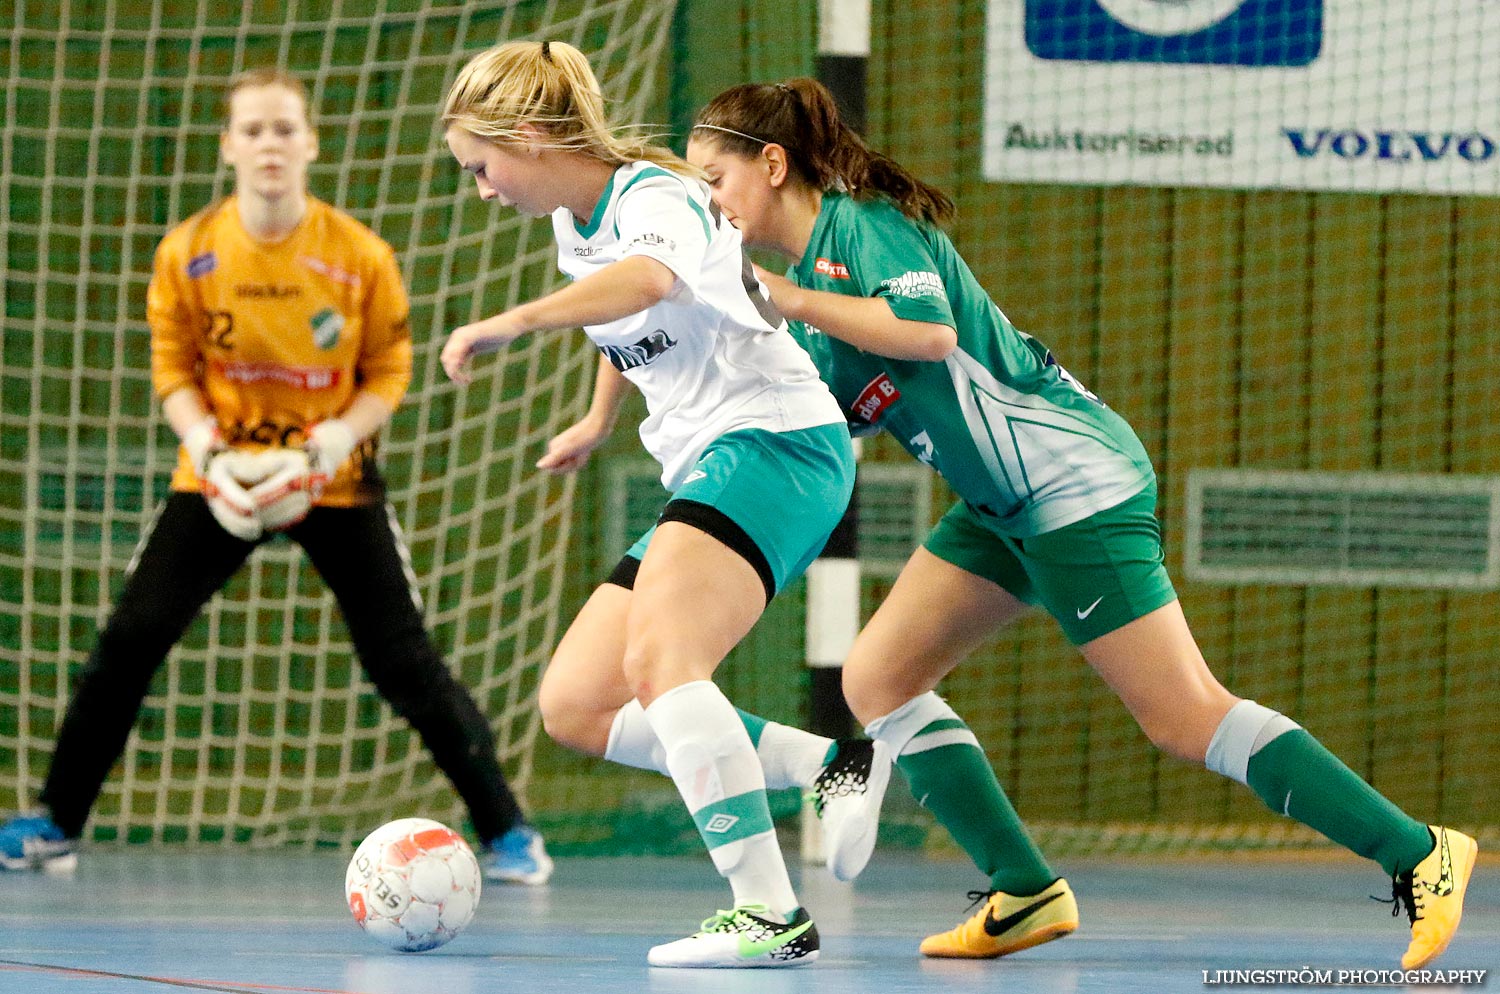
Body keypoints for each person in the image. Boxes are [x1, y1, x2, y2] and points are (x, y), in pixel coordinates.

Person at [669, 77, 1477, 970]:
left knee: (1183, 717)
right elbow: (833, 408)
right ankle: (1025, 890)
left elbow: (928, 334)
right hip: (998, 507)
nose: (709, 204)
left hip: (1073, 485)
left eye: (714, 180)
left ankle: (1419, 852)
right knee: (880, 678)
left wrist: (784, 299)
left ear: (772, 164)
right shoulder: (810, 314)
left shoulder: (861, 229)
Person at [0, 68, 551, 887]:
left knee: (403, 661)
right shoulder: (188, 252)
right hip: (219, 478)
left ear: (310, 143)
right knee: (130, 639)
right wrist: (213, 453)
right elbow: (173, 367)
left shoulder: (359, 256)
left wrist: (328, 444)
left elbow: (390, 368)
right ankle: (54, 823)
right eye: (253, 130)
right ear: (228, 145)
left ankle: (509, 833)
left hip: (330, 479)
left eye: (284, 129)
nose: (269, 145)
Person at [438, 41, 876, 969]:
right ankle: (828, 764)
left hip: (775, 442)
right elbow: (621, 320)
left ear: (526, 136)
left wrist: (510, 322)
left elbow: (651, 281)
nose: (480, 188)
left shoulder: (655, 197)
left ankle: (768, 913)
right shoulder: (576, 222)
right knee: (578, 705)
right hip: (717, 462)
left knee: (664, 660)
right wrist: (597, 420)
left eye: (481, 167)